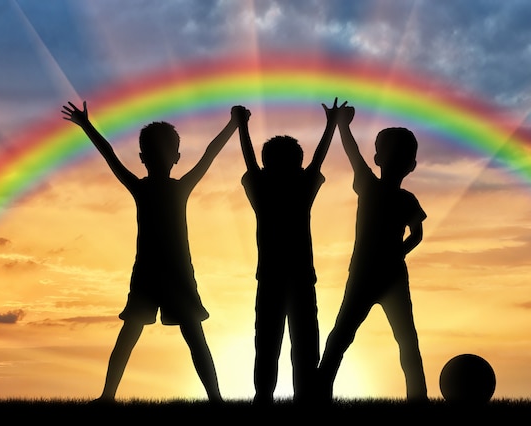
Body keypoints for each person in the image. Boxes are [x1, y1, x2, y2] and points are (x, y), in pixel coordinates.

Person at [62, 101, 241, 402]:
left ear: (144, 158)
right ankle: (214, 399)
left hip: (159, 273)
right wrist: (233, 125)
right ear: (176, 157)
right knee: (186, 337)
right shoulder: (173, 187)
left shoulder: (145, 187)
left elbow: (110, 155)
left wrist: (87, 125)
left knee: (150, 334)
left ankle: (109, 397)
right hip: (167, 274)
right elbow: (209, 154)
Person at [234, 98, 346, 405]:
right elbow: (318, 161)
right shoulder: (302, 186)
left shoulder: (261, 186)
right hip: (299, 277)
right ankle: (304, 401)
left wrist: (242, 126)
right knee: (305, 345)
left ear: (268, 164)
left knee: (268, 343)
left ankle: (264, 399)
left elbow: (250, 163)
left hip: (271, 277)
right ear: (297, 165)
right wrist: (331, 125)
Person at [318, 103, 428, 402]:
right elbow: (416, 234)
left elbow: (417, 234)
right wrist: (399, 252)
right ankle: (319, 394)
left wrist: (342, 124)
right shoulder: (374, 187)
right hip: (376, 273)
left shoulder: (384, 191)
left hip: (377, 273)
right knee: (352, 336)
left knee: (349, 336)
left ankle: (318, 395)